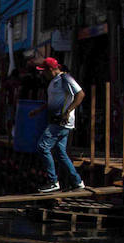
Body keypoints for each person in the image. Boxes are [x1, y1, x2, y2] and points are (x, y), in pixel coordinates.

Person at [35, 57, 86, 193]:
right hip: (56, 120)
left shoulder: (65, 79)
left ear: (51, 69)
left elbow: (80, 94)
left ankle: (53, 181)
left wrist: (68, 111)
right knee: (60, 152)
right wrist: (40, 109)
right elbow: (55, 100)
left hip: (61, 121)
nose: (42, 74)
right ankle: (77, 181)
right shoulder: (53, 82)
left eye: (44, 71)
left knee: (42, 146)